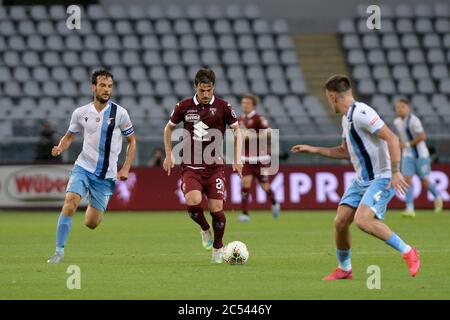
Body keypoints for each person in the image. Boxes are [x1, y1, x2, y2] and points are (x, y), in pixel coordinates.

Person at [291, 75, 420, 280]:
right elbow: (343, 151)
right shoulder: (347, 118)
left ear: (333, 97)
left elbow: (392, 138)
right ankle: (344, 268)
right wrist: (313, 149)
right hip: (362, 180)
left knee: (362, 220)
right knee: (341, 222)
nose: (328, 102)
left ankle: (408, 251)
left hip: (382, 177)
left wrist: (396, 171)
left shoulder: (362, 113)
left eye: (327, 98)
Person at [47, 69, 137, 264]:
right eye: (103, 86)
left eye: (110, 86)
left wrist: (126, 168)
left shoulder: (120, 113)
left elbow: (132, 141)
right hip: (83, 167)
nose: (106, 90)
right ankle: (58, 252)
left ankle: (92, 205)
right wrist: (61, 147)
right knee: (70, 202)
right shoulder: (80, 113)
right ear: (93, 87)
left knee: (91, 223)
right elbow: (70, 135)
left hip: (106, 176)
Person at [163, 68, 243, 263]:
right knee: (193, 200)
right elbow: (168, 129)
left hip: (215, 166)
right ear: (195, 87)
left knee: (217, 210)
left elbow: (237, 131)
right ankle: (205, 228)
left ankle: (218, 247)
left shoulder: (223, 106)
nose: (206, 94)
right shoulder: (184, 106)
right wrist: (168, 155)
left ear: (213, 87)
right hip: (191, 166)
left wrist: (237, 158)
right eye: (202, 90)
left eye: (209, 90)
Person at [393, 98, 443, 217]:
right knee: (407, 181)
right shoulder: (397, 122)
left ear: (407, 108)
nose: (400, 109)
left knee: (424, 181)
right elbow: (402, 137)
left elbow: (422, 136)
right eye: (398, 107)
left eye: (402, 107)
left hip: (421, 155)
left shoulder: (414, 120)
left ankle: (438, 197)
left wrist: (406, 144)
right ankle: (410, 208)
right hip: (407, 155)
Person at [237, 93, 280, 222]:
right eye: (243, 103)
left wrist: (252, 135)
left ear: (253, 105)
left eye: (248, 103)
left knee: (264, 185)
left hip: (260, 158)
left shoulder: (259, 119)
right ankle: (245, 213)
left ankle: (274, 202)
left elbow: (270, 135)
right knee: (245, 184)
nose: (245, 105)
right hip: (246, 158)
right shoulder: (239, 120)